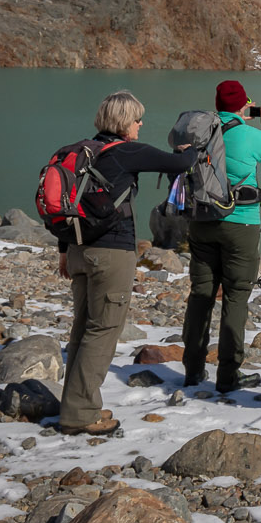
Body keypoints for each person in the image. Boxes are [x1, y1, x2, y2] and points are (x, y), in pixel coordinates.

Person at [56, 90, 194, 434]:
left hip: (77, 248)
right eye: (136, 119)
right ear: (123, 122)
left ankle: (76, 405)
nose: (140, 124)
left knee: (83, 328)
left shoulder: (79, 150)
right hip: (112, 253)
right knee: (103, 331)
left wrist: (63, 250)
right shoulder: (127, 151)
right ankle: (79, 414)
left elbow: (65, 201)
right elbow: (180, 165)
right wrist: (193, 146)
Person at [181, 78, 261, 394]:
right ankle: (228, 375)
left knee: (201, 295)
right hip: (240, 224)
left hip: (201, 222)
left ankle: (192, 370)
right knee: (235, 297)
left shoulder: (202, 132)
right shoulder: (248, 134)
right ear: (244, 106)